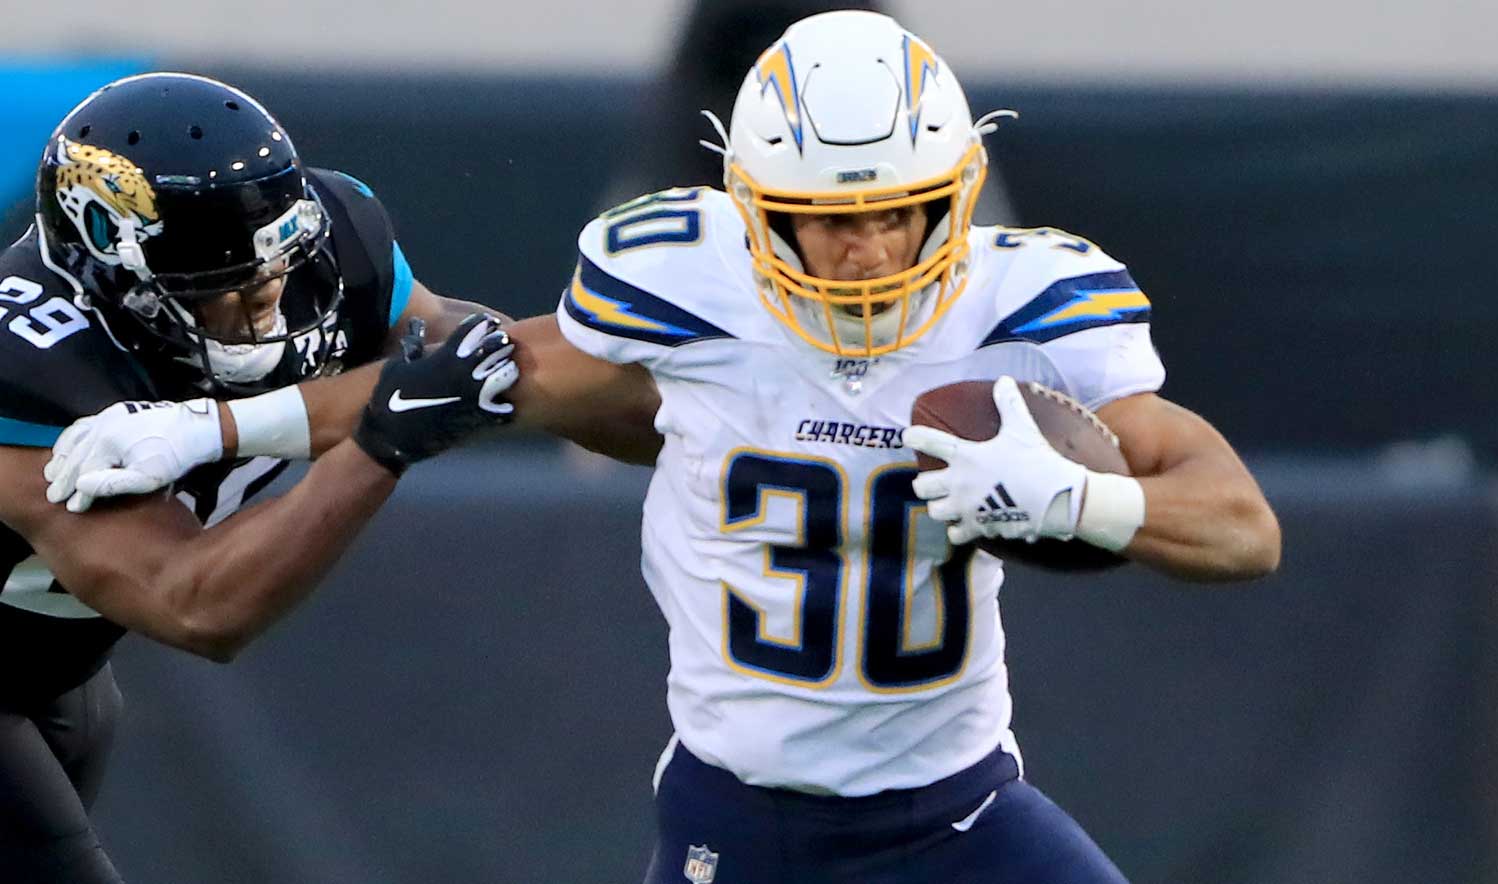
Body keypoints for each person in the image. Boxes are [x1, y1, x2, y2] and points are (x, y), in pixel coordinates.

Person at [47, 13, 1281, 882]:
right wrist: (214, 424)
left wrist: (1079, 500)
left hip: (963, 811)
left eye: (898, 215)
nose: (863, 253)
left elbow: (1242, 526)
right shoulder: (691, 284)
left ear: (957, 195)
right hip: (745, 825)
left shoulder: (1025, 309)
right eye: (823, 222)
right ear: (749, 205)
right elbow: (480, 374)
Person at [0, 72, 519, 883]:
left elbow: (487, 357)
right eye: (223, 291)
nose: (267, 314)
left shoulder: (331, 246)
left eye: (276, 277)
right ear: (117, 274)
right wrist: (379, 443)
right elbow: (198, 603)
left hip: (59, 664)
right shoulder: (30, 367)